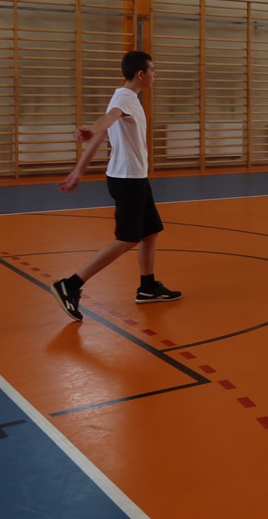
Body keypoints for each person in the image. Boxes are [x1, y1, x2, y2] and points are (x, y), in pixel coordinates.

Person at [51, 51, 181, 322]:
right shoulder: (125, 99)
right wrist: (92, 129)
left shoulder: (124, 97)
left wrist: (79, 169)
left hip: (134, 177)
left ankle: (147, 287)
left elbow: (101, 133)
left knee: (151, 232)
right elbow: (108, 120)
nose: (155, 75)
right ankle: (70, 285)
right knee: (128, 238)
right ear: (141, 74)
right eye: (153, 70)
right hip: (128, 179)